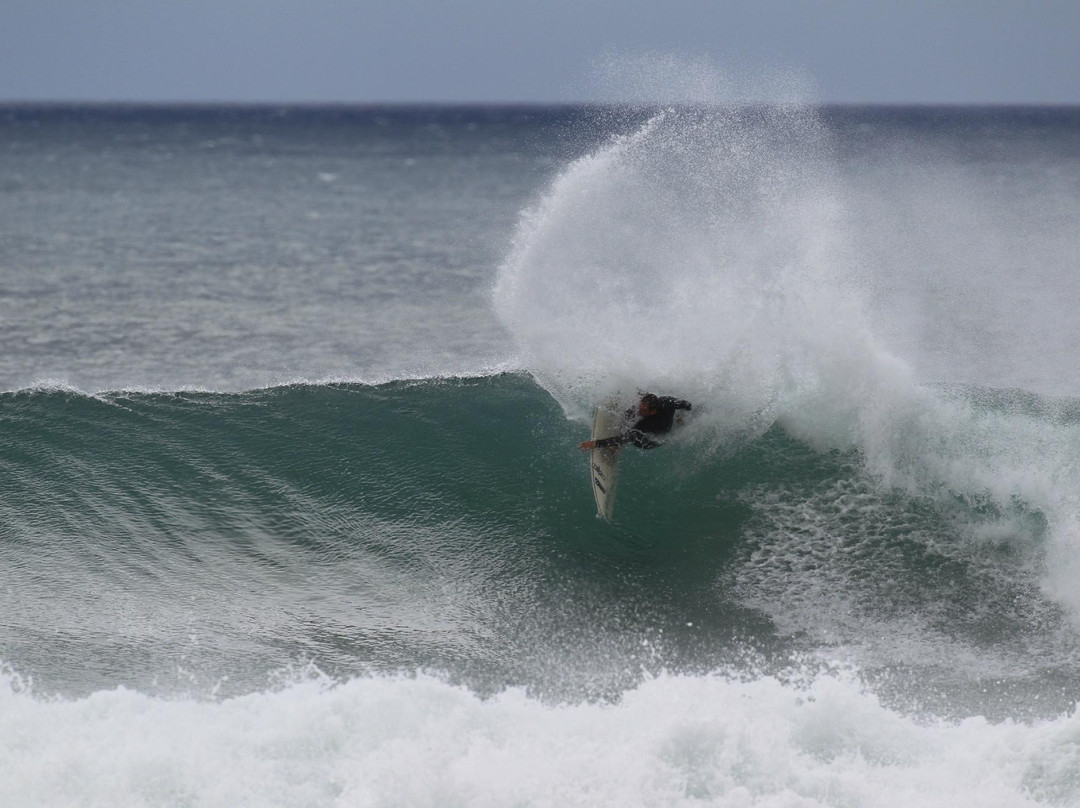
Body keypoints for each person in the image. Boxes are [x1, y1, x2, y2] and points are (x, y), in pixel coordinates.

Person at [579, 392, 692, 451]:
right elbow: (687, 404)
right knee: (631, 410)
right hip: (660, 418)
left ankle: (617, 447)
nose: (640, 410)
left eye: (643, 410)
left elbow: (626, 438)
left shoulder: (648, 424)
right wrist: (681, 417)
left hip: (651, 441)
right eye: (641, 406)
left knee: (633, 436)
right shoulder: (666, 400)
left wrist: (596, 444)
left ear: (652, 412)